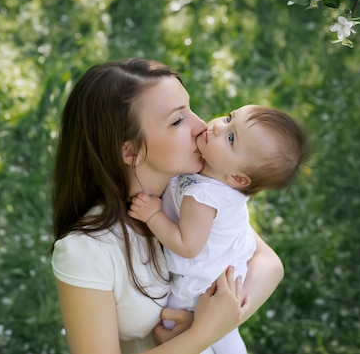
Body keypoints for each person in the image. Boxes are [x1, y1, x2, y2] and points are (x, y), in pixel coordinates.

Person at [51, 58, 285, 354]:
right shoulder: (87, 251)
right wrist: (204, 333)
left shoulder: (192, 192)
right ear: (130, 150)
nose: (202, 126)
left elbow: (268, 264)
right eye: (177, 120)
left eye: (190, 108)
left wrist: (221, 321)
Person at [128, 104, 310, 354]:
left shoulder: (203, 196)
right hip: (224, 282)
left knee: (182, 334)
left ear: (237, 178)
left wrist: (153, 215)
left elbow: (187, 246)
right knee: (228, 342)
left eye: (231, 138)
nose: (216, 127)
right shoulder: (216, 180)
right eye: (228, 119)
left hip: (198, 290)